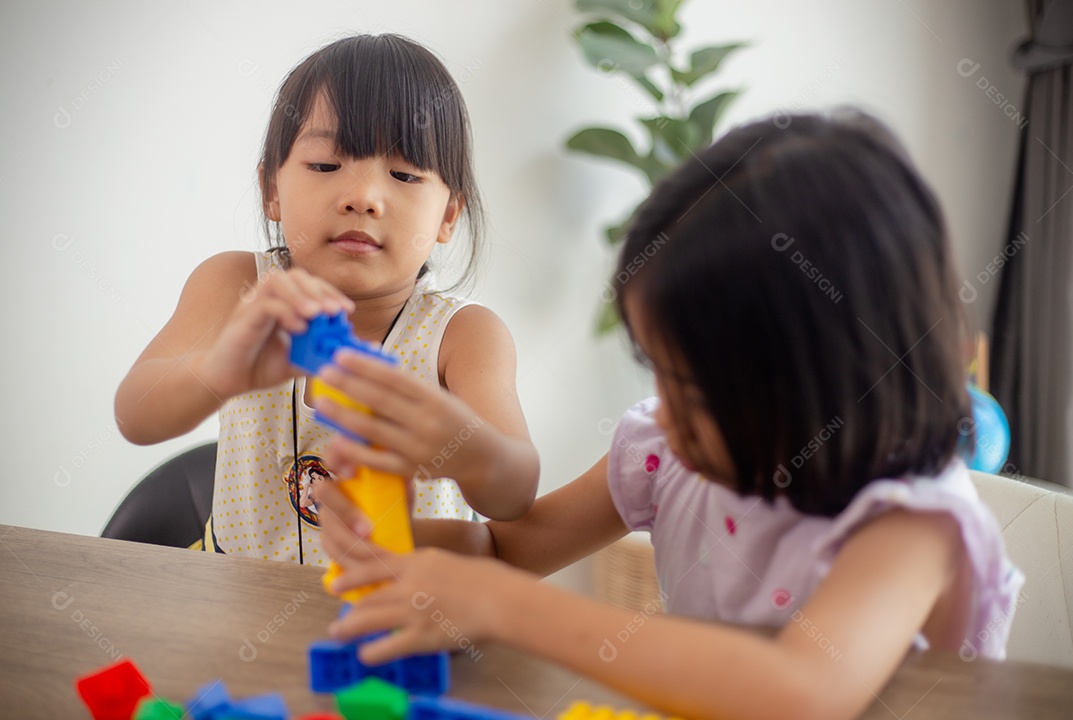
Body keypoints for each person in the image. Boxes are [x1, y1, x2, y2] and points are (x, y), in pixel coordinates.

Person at [312, 111, 1024, 720]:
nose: (668, 413)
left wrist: (503, 606)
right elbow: (509, 551)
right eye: (660, 371)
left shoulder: (911, 523)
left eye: (698, 389)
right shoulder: (669, 452)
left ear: (828, 385)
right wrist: (391, 536)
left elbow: (799, 691)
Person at [114, 34, 539, 565]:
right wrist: (220, 370)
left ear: (448, 216)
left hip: (401, 617)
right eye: (325, 166)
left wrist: (467, 448)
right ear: (272, 188)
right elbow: (136, 415)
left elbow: (517, 489)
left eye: (404, 174)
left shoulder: (464, 336)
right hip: (231, 603)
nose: (362, 197)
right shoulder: (236, 287)